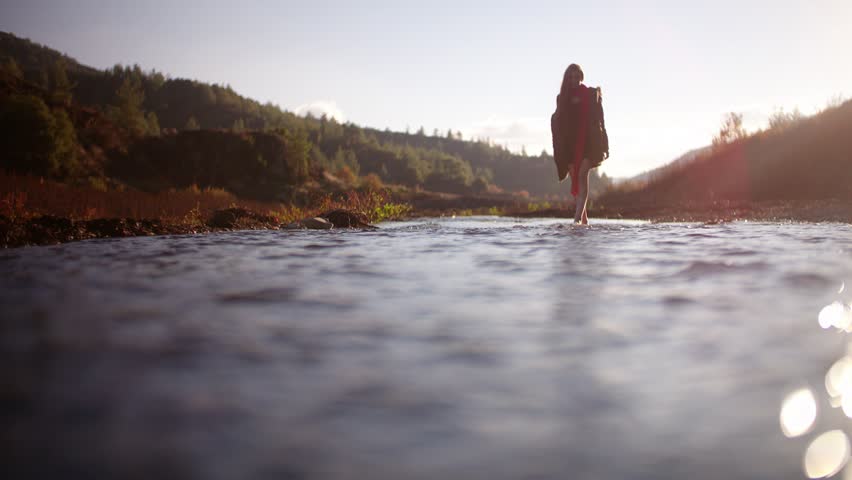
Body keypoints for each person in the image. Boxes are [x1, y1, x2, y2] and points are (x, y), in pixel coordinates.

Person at [550, 64, 609, 224]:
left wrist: (605, 143)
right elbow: (558, 121)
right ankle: (584, 219)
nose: (574, 80)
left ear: (581, 77)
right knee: (576, 179)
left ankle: (576, 220)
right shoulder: (561, 98)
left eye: (577, 77)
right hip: (570, 145)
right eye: (571, 77)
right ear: (567, 79)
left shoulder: (591, 94)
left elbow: (600, 121)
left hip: (589, 143)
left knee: (582, 175)